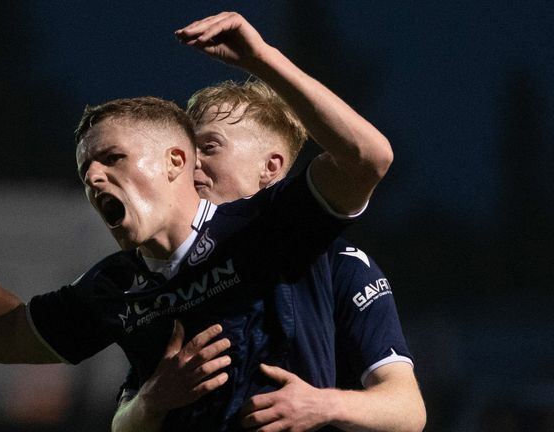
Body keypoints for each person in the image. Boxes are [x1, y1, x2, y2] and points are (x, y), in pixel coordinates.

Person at [0, 11, 393, 430]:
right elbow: (3, 336)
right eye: (85, 172)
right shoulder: (114, 286)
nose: (94, 179)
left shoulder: (269, 226)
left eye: (112, 159)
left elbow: (368, 158)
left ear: (176, 162)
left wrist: (263, 59)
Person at [111, 12, 426, 432]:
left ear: (270, 167)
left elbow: (408, 410)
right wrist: (148, 403)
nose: (191, 163)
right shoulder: (169, 271)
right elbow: (123, 420)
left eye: (209, 146)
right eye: (185, 150)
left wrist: (322, 404)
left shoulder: (338, 263)